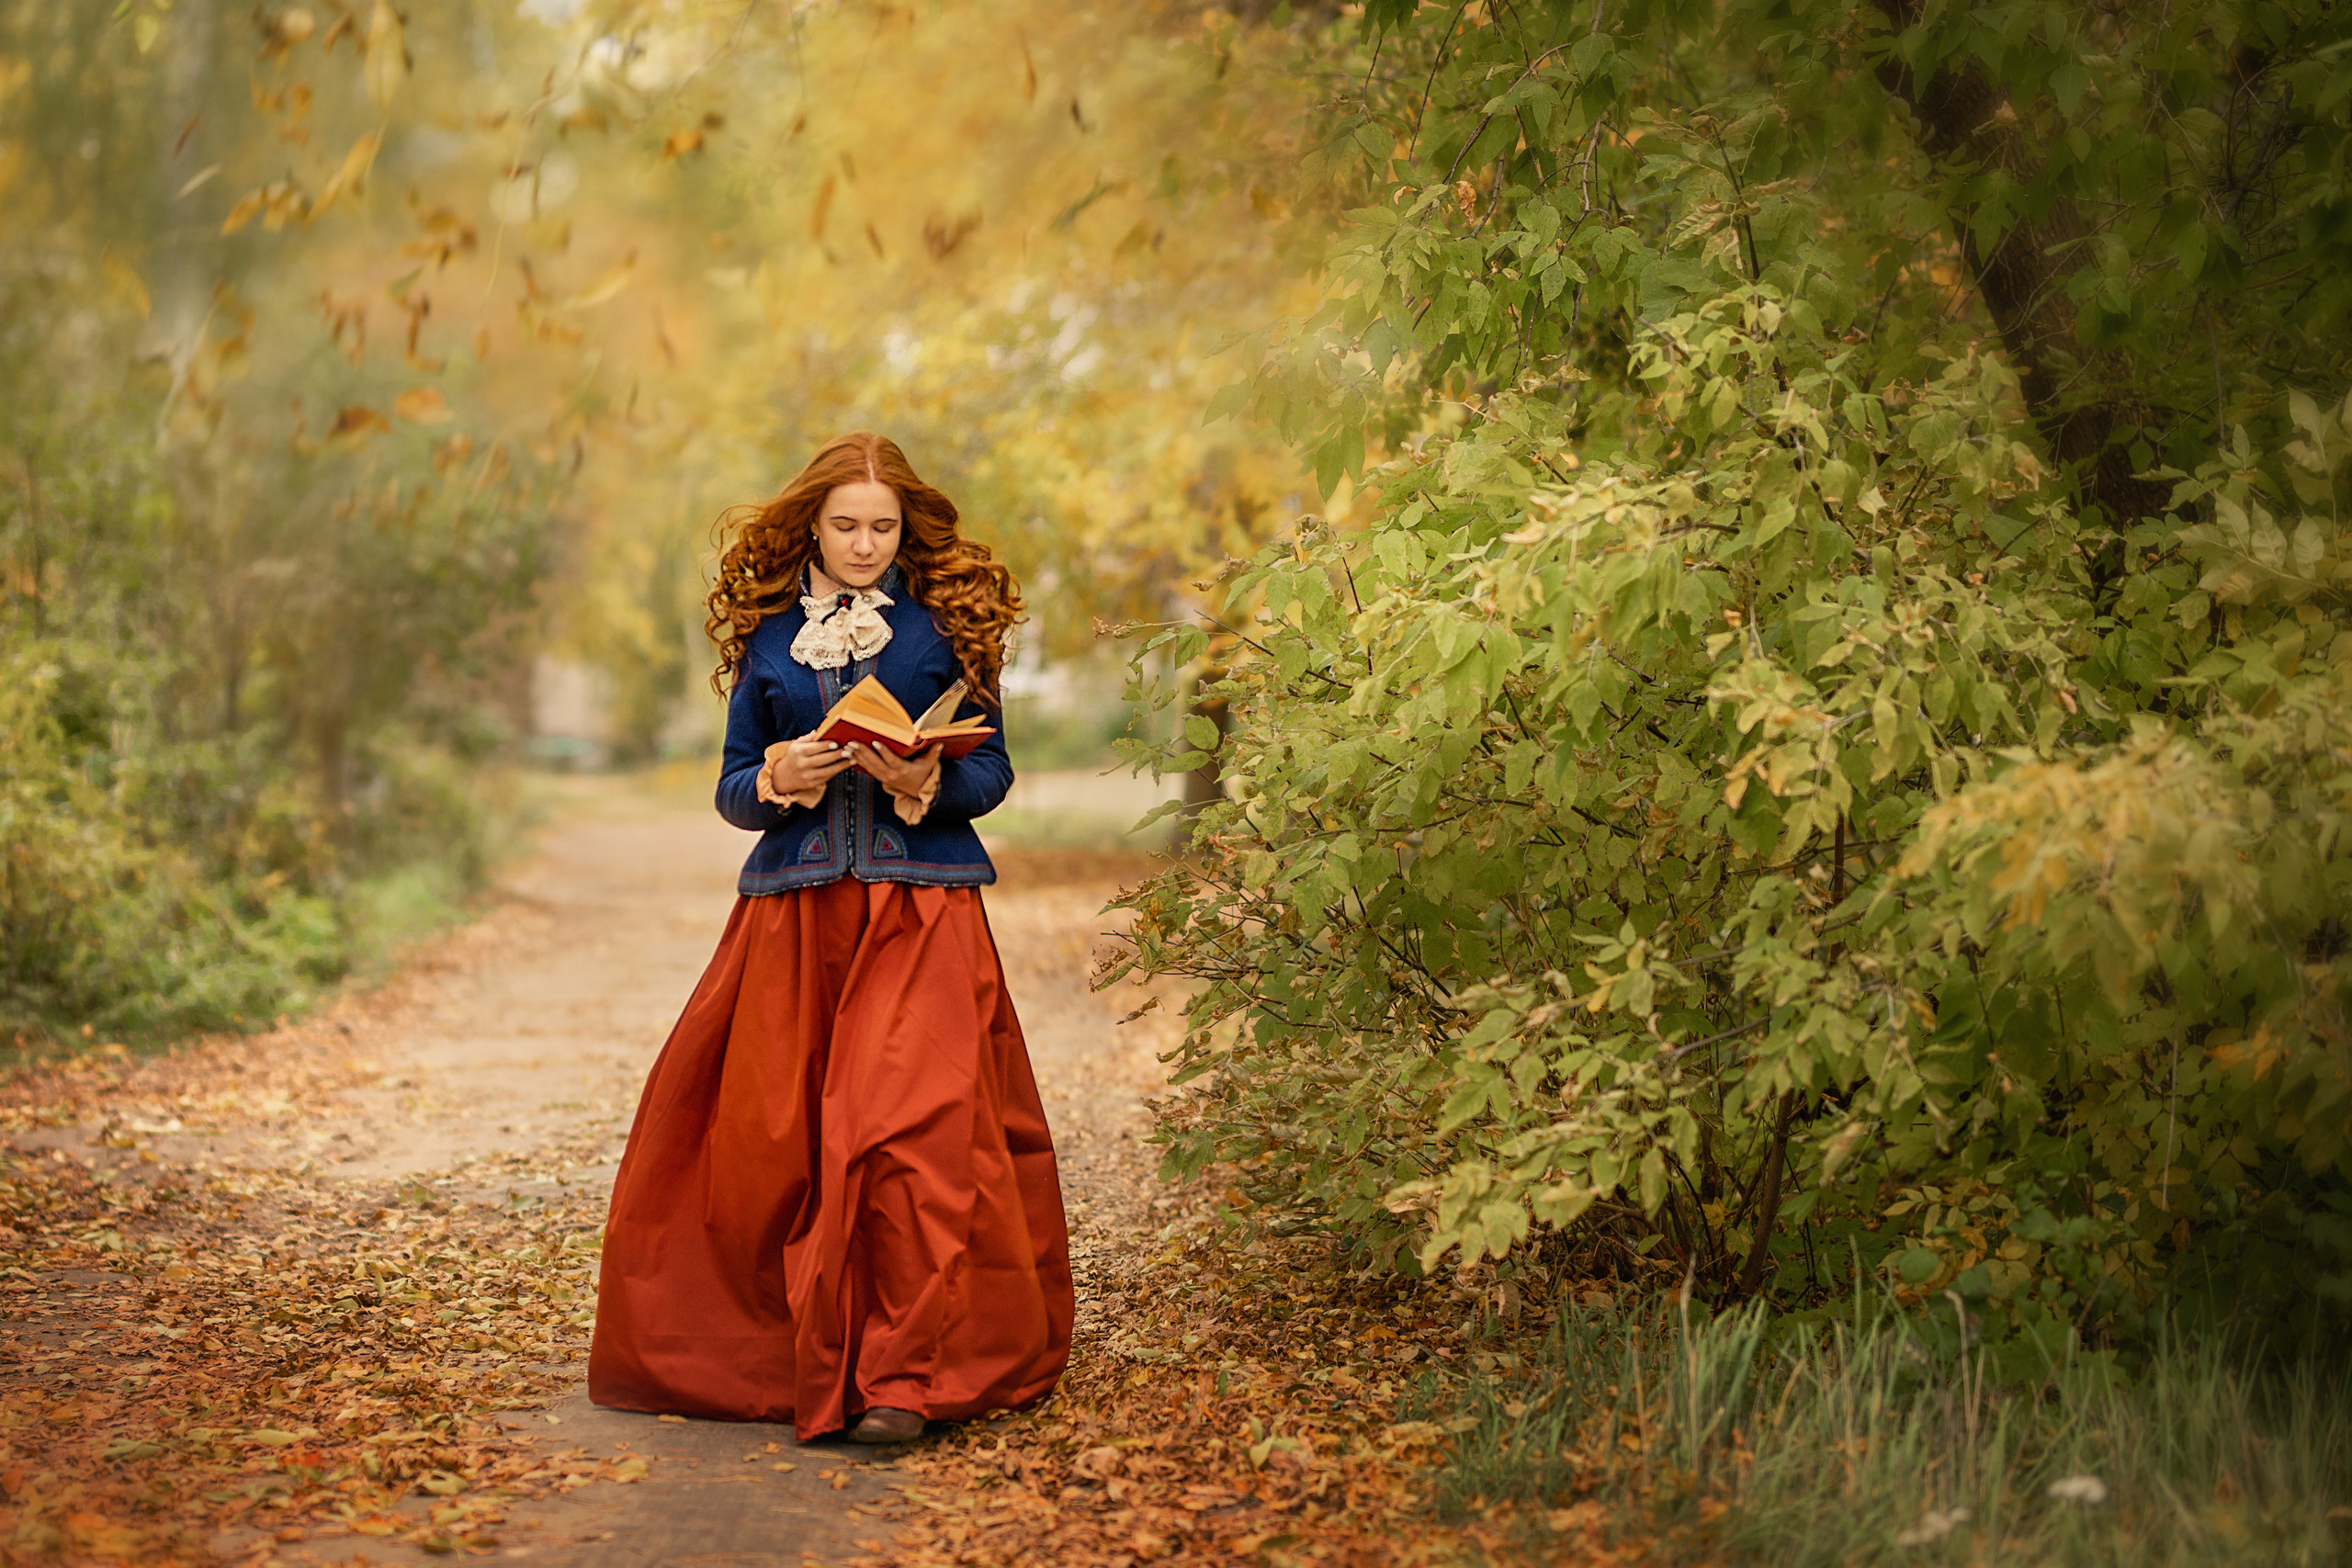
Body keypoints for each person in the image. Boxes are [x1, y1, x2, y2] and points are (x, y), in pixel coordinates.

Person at [587, 431, 1072, 1445]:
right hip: (794, 916)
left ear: (905, 530)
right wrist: (777, 780)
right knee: (781, 1145)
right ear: (811, 524)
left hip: (922, 911)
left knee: (910, 1134)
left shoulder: (944, 628)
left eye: (882, 528)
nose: (864, 545)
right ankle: (791, 1357)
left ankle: (901, 1378)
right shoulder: (769, 640)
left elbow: (994, 773)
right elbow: (730, 789)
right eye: (847, 526)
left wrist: (926, 782)